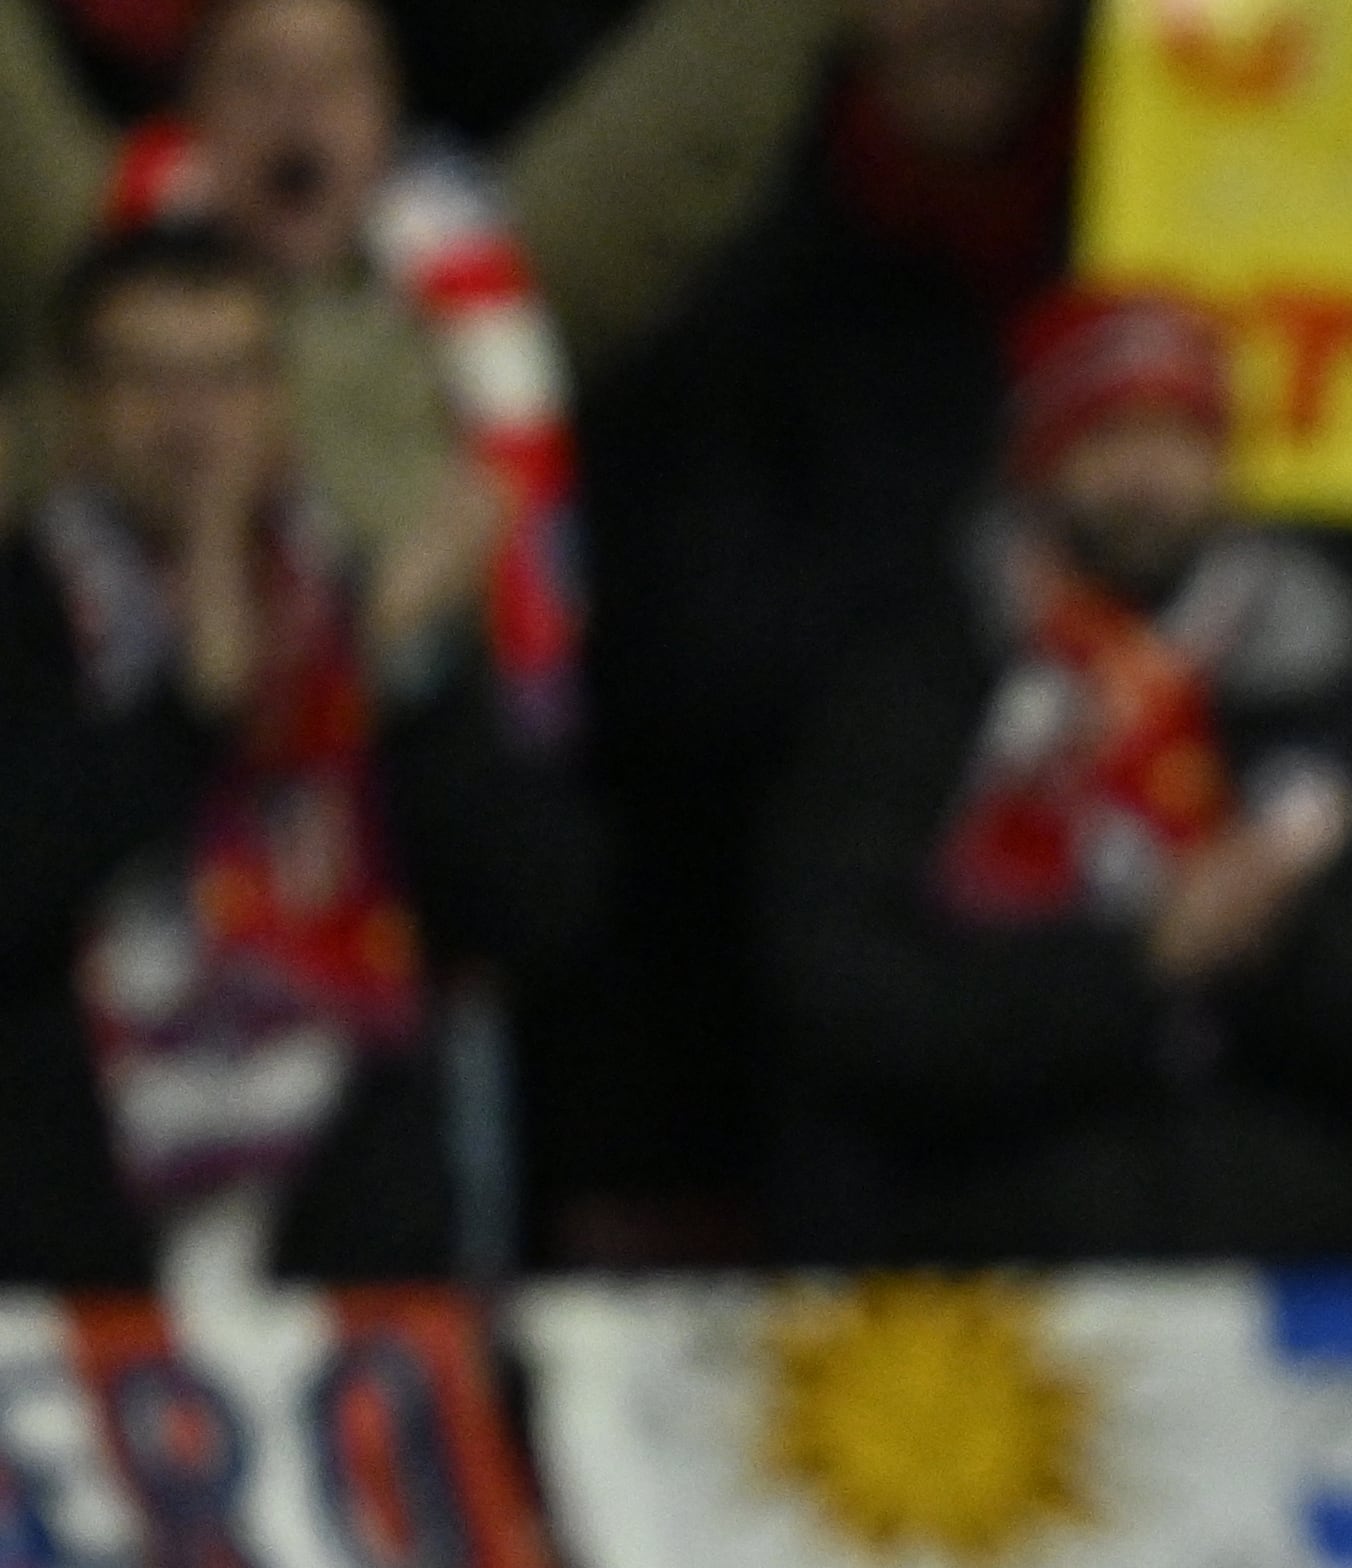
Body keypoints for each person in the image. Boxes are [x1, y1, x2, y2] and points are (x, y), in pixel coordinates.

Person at [560, 0, 1085, 1258]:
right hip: (793, 1010)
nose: (965, 21)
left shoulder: (1209, 245)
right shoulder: (723, 273)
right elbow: (672, 664)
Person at [756, 286, 1352, 1265]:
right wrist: (1137, 960)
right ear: (1037, 457)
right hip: (978, 1257)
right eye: (1108, 437)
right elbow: (843, 988)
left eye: (1180, 438)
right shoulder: (926, 680)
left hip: (1280, 1262)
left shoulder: (1319, 674)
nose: (1147, 479)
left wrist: (1273, 943)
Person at [0, 223, 598, 1286]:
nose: (192, 424)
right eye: (147, 380)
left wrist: (392, 684)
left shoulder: (363, 611)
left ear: (282, 403)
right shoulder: (24, 615)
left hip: (350, 1273)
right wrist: (186, 714)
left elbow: (535, 908)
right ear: (79, 411)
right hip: (70, 1276)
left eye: (228, 378)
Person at [0, 0, 850, 739]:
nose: (298, 108)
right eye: (256, 75)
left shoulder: (483, 286)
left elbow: (683, 118)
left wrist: (393, 658)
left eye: (338, 77)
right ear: (195, 108)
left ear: (391, 113)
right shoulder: (94, 256)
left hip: (390, 842)